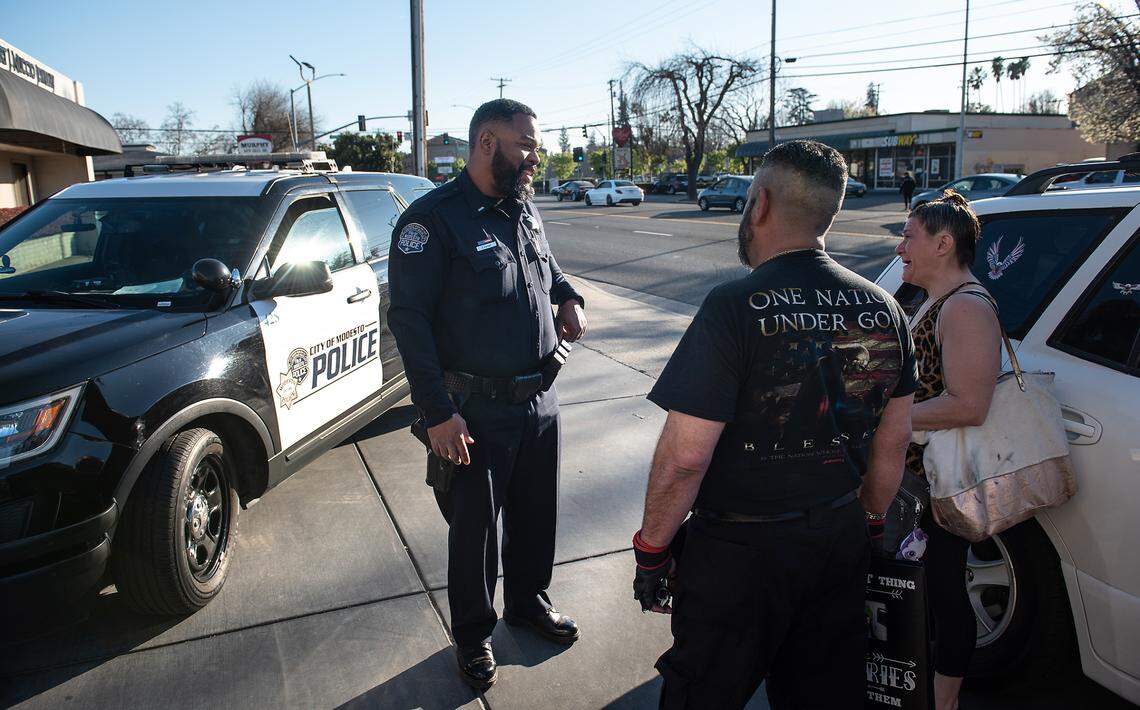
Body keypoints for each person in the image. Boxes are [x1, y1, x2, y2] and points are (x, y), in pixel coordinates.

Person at [632, 139, 918, 709]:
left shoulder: (733, 306)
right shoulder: (884, 308)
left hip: (739, 555)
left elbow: (685, 457)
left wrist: (653, 551)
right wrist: (869, 524)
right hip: (837, 540)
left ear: (758, 204)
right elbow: (894, 445)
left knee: (702, 694)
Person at [387, 98, 588, 690]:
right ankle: (473, 636)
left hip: (538, 400)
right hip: (473, 411)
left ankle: (528, 602)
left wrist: (569, 295)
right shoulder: (433, 221)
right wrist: (436, 413)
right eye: (524, 143)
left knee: (535, 515)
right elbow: (410, 323)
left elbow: (545, 266)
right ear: (486, 144)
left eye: (534, 143)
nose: (534, 154)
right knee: (474, 531)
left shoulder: (522, 207)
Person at [895, 190, 1002, 710]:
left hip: (944, 483)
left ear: (942, 243)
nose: (899, 249)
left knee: (943, 594)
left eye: (908, 236)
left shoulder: (964, 307)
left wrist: (889, 419)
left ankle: (945, 702)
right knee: (929, 593)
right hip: (924, 480)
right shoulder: (937, 301)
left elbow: (969, 405)